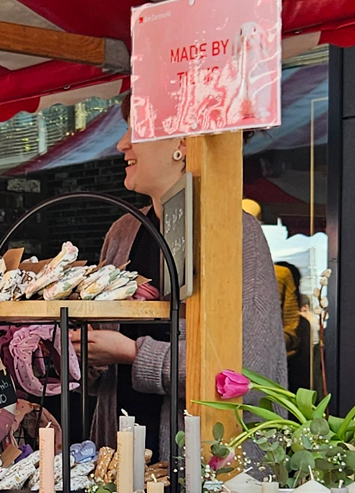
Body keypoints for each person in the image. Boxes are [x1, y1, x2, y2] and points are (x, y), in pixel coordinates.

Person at [84, 132, 288, 455]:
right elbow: (102, 379)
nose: (121, 144)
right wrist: (88, 358)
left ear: (182, 146)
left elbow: (246, 374)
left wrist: (133, 353)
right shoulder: (122, 232)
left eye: (136, 131)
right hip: (121, 473)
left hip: (212, 473)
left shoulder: (234, 233)